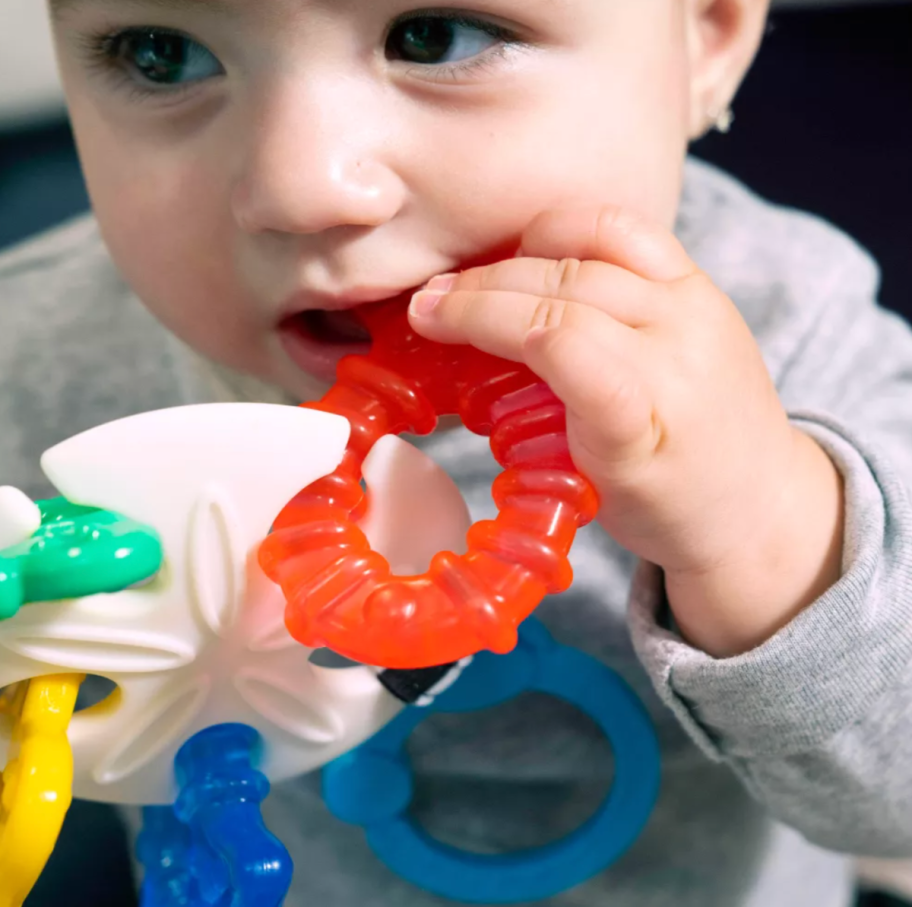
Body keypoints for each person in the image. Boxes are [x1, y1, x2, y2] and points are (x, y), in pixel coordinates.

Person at [2, 0, 911, 904]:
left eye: (433, 37)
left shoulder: (795, 329)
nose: (301, 185)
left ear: (704, 38)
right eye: (161, 54)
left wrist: (764, 530)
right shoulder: (34, 352)